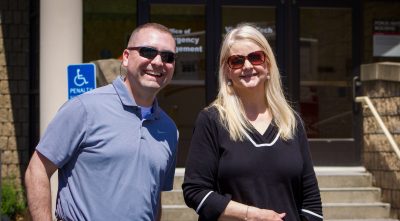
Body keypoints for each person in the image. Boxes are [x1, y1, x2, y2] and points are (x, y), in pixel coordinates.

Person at [25, 23, 179, 221]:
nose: (158, 62)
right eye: (148, 52)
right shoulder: (84, 108)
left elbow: (153, 198)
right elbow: (37, 170)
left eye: (168, 57)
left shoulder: (169, 130)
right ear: (125, 57)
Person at [182, 24, 323, 221]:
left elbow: (311, 202)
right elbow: (195, 191)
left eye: (255, 57)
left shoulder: (291, 122)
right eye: (237, 61)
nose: (247, 66)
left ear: (268, 65)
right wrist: (251, 214)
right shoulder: (212, 120)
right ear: (227, 71)